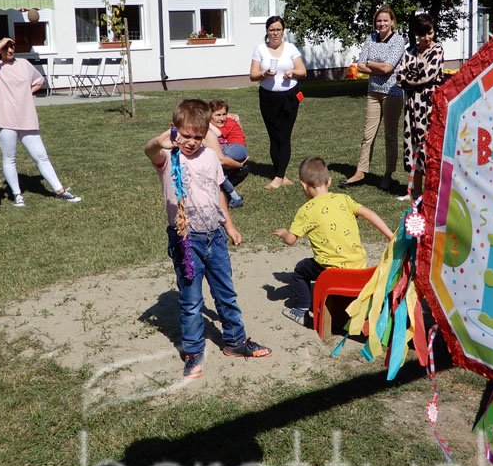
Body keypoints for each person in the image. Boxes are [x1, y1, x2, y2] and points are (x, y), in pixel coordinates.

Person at [145, 99, 272, 379]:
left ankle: (235, 342)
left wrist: (229, 225)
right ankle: (192, 350)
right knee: (191, 300)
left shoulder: (211, 157)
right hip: (185, 240)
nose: (191, 142)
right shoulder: (168, 158)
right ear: (175, 131)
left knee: (225, 292)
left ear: (206, 134)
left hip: (215, 236)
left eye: (198, 137)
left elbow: (218, 194)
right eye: (185, 135)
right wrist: (161, 141)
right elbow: (149, 151)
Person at [274, 156, 393, 326]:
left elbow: (291, 240)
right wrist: (389, 235)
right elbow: (369, 213)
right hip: (358, 265)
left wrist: (285, 233)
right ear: (329, 181)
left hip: (331, 270)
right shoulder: (344, 199)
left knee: (300, 270)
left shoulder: (306, 210)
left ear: (303, 186)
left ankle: (301, 310)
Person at [0, 37, 81, 207]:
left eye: (12, 47)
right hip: (5, 118)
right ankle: (17, 194)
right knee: (9, 157)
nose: (9, 51)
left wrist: (26, 93)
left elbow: (39, 81)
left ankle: (60, 191)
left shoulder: (24, 64)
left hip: (26, 116)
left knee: (41, 155)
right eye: (6, 48)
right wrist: (0, 44)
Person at [340, 5, 408, 194]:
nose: (382, 23)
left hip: (392, 92)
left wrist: (370, 64)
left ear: (392, 22)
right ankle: (361, 171)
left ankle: (388, 174)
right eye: (379, 20)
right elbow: (360, 65)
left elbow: (388, 68)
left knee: (390, 136)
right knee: (367, 135)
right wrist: (376, 66)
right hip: (373, 92)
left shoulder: (398, 41)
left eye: (386, 20)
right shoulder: (370, 38)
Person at [249, 15, 306, 190]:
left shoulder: (290, 49)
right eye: (272, 29)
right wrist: (264, 74)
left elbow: (303, 71)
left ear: (283, 31)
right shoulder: (260, 49)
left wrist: (293, 72)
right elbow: (252, 75)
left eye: (278, 29)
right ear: (267, 31)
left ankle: (279, 177)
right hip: (268, 98)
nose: (275, 33)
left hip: (290, 97)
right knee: (274, 136)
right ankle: (280, 174)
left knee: (284, 135)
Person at [396, 13, 445, 201]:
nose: (427, 38)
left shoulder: (437, 50)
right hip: (410, 105)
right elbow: (399, 77)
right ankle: (415, 192)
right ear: (416, 34)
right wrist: (412, 77)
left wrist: (411, 76)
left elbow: (427, 75)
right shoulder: (409, 51)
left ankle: (430, 191)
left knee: (428, 146)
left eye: (430, 33)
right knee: (412, 144)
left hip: (429, 105)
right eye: (423, 34)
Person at [205, 98, 248, 209]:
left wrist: (206, 122)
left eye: (224, 114)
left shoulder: (228, 122)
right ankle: (234, 197)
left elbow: (218, 133)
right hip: (235, 150)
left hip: (236, 149)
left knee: (215, 163)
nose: (222, 118)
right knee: (221, 175)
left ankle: (225, 197)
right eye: (218, 115)